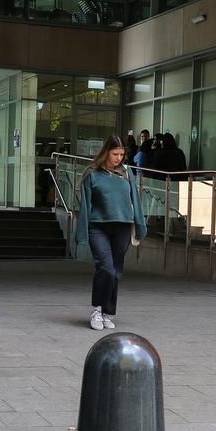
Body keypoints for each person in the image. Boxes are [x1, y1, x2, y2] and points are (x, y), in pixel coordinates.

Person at [74, 135, 147, 331]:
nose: (119, 158)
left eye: (122, 154)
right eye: (115, 154)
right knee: (105, 267)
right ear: (106, 151)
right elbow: (85, 206)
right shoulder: (92, 174)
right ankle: (97, 309)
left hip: (122, 226)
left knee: (116, 271)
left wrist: (140, 226)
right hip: (98, 227)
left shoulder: (127, 173)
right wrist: (81, 233)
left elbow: (136, 202)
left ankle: (107, 311)